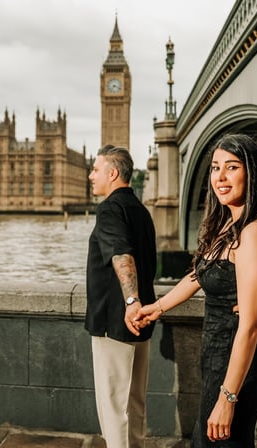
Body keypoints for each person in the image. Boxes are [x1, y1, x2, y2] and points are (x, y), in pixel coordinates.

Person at [133, 134, 257, 447]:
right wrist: (158, 307)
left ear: (252, 174)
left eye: (231, 167)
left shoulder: (253, 232)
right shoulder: (228, 226)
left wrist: (228, 398)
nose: (220, 177)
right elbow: (198, 275)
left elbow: (251, 325)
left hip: (236, 369)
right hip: (218, 359)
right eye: (216, 168)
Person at [85, 144, 157, 448]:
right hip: (140, 321)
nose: (91, 175)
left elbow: (120, 253)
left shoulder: (110, 208)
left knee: (114, 408)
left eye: (96, 169)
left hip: (116, 319)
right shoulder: (140, 211)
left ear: (113, 173)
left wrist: (130, 302)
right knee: (134, 404)